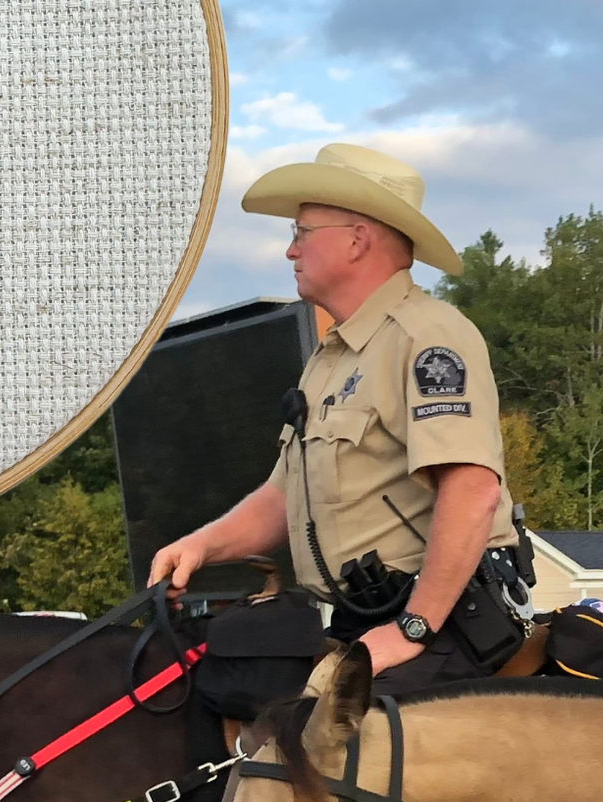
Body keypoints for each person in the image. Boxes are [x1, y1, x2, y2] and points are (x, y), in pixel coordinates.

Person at [149, 143, 527, 693]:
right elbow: (285, 497)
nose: (289, 250)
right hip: (367, 620)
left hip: (447, 624)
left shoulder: (427, 335)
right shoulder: (331, 358)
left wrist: (413, 628)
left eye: (302, 231)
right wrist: (201, 547)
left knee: (320, 756)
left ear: (357, 238)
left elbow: (472, 490)